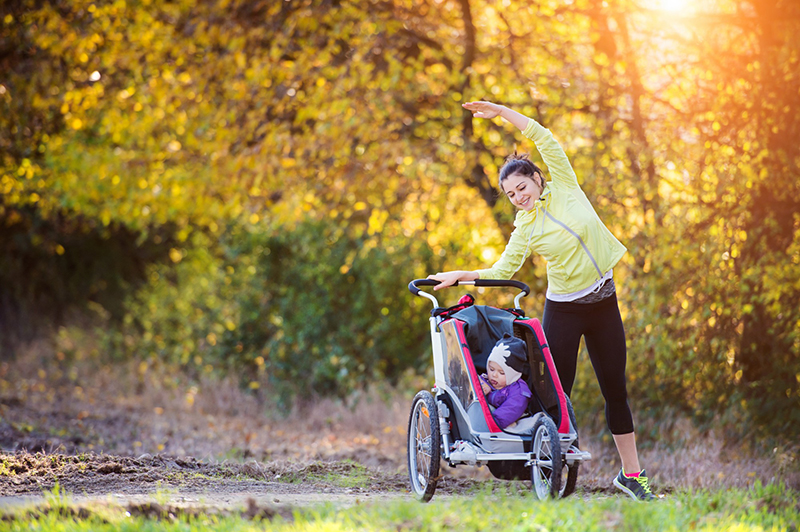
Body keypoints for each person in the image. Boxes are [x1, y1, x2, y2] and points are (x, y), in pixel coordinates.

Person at [428, 100, 656, 501]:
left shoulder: (565, 183)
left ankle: (632, 476)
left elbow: (542, 135)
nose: (518, 196)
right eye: (511, 194)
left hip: (604, 301)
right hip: (564, 309)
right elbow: (502, 269)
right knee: (555, 392)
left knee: (615, 390)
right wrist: (460, 275)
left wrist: (500, 112)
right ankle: (547, 467)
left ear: (537, 178)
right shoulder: (526, 228)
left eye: (522, 187)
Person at [479, 334, 532, 430]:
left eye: (501, 372)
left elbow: (511, 409)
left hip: (501, 420)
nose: (494, 375)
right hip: (486, 415)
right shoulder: (488, 380)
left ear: (513, 375)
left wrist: (491, 423)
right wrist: (481, 386)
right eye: (491, 369)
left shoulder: (519, 393)